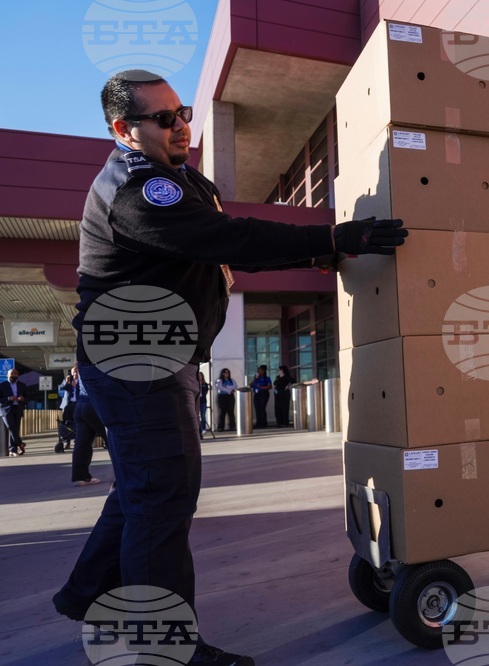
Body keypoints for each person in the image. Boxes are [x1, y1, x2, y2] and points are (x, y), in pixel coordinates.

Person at [52, 69, 407, 666]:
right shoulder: (140, 190)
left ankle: (87, 592)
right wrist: (338, 237)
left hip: (162, 357)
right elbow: (228, 238)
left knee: (145, 491)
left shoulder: (178, 177)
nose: (181, 125)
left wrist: (321, 250)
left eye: (182, 111)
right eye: (163, 119)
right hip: (137, 361)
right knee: (162, 498)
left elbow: (223, 244)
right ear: (123, 128)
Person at [71, 374, 104, 486]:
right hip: (95, 404)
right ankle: (124, 476)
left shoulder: (83, 367)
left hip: (81, 405)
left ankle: (80, 477)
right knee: (113, 440)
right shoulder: (98, 363)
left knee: (82, 444)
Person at [1, 368, 28, 456]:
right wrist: (9, 398)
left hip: (18, 408)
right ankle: (20, 444)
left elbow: (27, 397)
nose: (13, 375)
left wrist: (22, 399)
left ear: (18, 375)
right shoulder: (2, 385)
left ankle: (13, 450)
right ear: (7, 375)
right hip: (6, 409)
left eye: (15, 373)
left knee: (15, 429)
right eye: (12, 374)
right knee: (10, 427)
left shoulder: (22, 385)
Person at [56, 365, 79, 452]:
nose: (75, 373)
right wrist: (66, 382)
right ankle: (66, 441)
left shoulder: (81, 381)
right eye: (74, 372)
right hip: (67, 405)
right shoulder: (67, 381)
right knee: (66, 423)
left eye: (77, 372)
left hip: (77, 404)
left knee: (77, 422)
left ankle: (77, 440)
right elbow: (61, 388)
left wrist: (76, 386)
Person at [197, 371, 210, 436]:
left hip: (203, 401)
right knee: (197, 415)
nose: (200, 376)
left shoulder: (205, 384)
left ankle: (203, 428)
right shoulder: (195, 384)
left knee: (203, 415)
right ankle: (198, 428)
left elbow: (206, 392)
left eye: (201, 375)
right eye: (198, 375)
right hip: (197, 401)